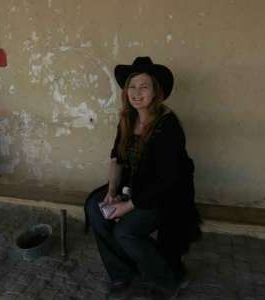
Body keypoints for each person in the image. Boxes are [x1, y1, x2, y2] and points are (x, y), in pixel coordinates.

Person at [85, 57, 202, 299]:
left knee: (126, 231)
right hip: (132, 187)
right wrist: (112, 190)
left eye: (144, 86)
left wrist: (126, 206)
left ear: (155, 92)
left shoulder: (167, 126)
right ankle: (123, 272)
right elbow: (116, 158)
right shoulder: (128, 119)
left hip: (166, 195)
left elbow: (166, 180)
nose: (136, 93)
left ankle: (168, 280)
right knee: (95, 207)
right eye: (132, 86)